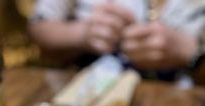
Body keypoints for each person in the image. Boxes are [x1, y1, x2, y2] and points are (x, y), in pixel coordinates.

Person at [29, 0, 205, 81]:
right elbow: (39, 26)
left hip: (181, 99)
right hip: (86, 86)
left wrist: (189, 51)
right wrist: (82, 34)